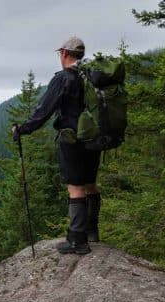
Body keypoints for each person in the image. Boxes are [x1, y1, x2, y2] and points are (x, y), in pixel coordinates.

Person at [11, 36, 101, 255]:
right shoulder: (92, 77)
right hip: (94, 138)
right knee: (90, 183)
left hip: (72, 139)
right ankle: (91, 231)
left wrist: (22, 129)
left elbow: (44, 111)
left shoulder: (63, 79)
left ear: (64, 54)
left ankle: (77, 240)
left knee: (76, 186)